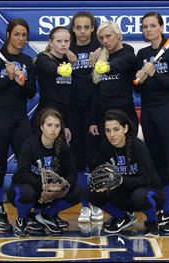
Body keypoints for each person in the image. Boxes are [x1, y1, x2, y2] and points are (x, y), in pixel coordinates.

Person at [135, 12, 169, 232]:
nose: (148, 30)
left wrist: (155, 73)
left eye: (152, 26)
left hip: (168, 110)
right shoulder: (142, 54)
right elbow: (137, 88)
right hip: (148, 112)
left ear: (160, 27)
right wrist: (141, 77)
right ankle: (167, 211)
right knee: (158, 163)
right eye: (145, 26)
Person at [0, 18, 36, 231]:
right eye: (17, 34)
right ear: (8, 35)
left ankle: (26, 212)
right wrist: (8, 78)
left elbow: (31, 93)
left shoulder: (28, 61)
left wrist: (21, 83)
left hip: (20, 119)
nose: (20, 39)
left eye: (24, 35)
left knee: (27, 167)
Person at [89, 109, 166, 236]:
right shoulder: (105, 147)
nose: (112, 134)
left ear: (125, 128)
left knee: (139, 196)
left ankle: (152, 222)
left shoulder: (138, 146)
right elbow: (102, 174)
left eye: (116, 129)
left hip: (150, 193)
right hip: (124, 193)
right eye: (108, 130)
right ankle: (122, 217)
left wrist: (121, 179)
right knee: (92, 192)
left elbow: (146, 180)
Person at [7, 108, 81, 236]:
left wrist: (63, 185)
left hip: (52, 193)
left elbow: (72, 172)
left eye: (57, 126)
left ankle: (44, 215)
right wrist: (44, 186)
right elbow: (21, 174)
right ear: (42, 127)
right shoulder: (30, 145)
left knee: (77, 192)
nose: (53, 129)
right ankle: (22, 220)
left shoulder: (62, 146)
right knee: (26, 192)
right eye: (49, 125)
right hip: (28, 190)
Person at [67, 11, 103, 223]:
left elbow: (117, 44)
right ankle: (84, 206)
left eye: (86, 27)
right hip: (72, 111)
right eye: (78, 27)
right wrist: (65, 53)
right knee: (78, 160)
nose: (82, 32)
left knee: (94, 159)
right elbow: (45, 53)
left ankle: (98, 203)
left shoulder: (101, 48)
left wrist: (102, 49)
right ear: (73, 29)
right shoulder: (66, 48)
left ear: (92, 29)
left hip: (94, 110)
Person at [89, 21, 139, 139]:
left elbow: (121, 63)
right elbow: (95, 92)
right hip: (103, 117)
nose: (105, 41)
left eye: (108, 36)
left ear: (118, 35)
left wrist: (108, 67)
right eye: (101, 38)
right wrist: (93, 120)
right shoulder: (100, 56)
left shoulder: (128, 53)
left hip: (125, 114)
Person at [30, 26, 72, 142]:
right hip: (46, 114)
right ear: (50, 42)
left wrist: (66, 124)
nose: (63, 44)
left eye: (66, 41)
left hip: (63, 115)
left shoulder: (68, 60)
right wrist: (60, 70)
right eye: (59, 41)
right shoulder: (43, 58)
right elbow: (49, 68)